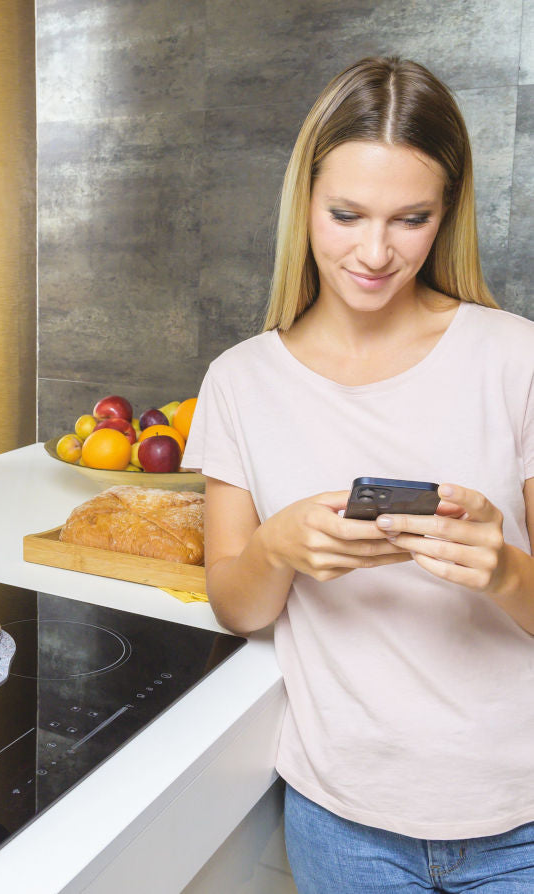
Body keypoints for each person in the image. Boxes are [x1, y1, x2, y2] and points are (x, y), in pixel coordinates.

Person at [181, 56, 534, 892]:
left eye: (410, 219)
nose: (375, 252)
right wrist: (277, 547)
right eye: (345, 214)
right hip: (342, 821)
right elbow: (237, 604)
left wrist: (507, 570)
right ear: (304, 201)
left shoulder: (515, 356)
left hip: (520, 818)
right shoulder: (240, 380)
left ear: (446, 214)